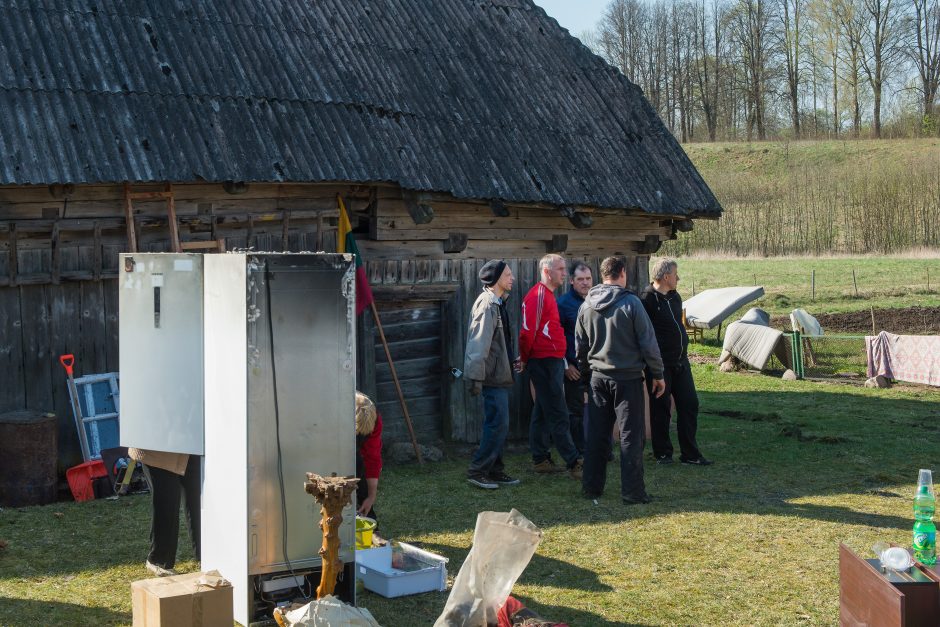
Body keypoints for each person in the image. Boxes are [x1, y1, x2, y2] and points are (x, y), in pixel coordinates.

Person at [576, 256, 665, 504]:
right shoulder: (631, 304)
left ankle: (591, 487)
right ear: (622, 273)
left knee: (596, 435)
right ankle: (632, 491)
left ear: (602, 274)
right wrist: (657, 373)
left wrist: (585, 378)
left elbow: (580, 347)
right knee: (630, 436)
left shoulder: (586, 306)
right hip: (627, 378)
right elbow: (648, 342)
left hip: (597, 378)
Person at [640, 258, 712, 466]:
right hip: (660, 365)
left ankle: (690, 453)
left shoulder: (675, 297)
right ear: (665, 277)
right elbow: (644, 334)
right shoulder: (647, 300)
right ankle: (663, 453)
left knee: (689, 404)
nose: (678, 278)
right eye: (675, 274)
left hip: (681, 361)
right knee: (661, 408)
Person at [520, 254, 582, 479]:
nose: (565, 273)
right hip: (544, 361)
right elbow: (527, 332)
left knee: (543, 411)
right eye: (561, 269)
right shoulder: (537, 296)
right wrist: (525, 359)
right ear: (547, 272)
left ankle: (540, 459)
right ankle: (574, 462)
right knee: (557, 411)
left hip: (552, 359)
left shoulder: (547, 295)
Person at [463, 259, 522, 490]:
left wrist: (510, 359)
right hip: (490, 377)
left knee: (498, 423)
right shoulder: (487, 305)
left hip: (498, 374)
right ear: (496, 279)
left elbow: (498, 343)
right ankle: (478, 471)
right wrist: (476, 378)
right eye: (508, 275)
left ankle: (495, 470)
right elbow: (478, 346)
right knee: (497, 424)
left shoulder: (498, 303)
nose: (512, 278)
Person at [128, 447, 201, 577]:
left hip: (190, 448)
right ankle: (158, 560)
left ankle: (206, 555)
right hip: (157, 450)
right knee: (167, 503)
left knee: (199, 503)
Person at [555, 261, 594, 455]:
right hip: (574, 367)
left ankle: (598, 447)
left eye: (588, 279)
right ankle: (580, 450)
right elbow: (555, 336)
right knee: (575, 411)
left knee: (598, 408)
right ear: (571, 281)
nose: (585, 283)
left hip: (597, 367)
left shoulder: (597, 301)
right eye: (580, 279)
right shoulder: (562, 304)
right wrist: (565, 364)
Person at [355, 391, 383, 518]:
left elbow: (372, 457)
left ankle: (368, 516)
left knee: (360, 464)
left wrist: (371, 497)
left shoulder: (375, 419)